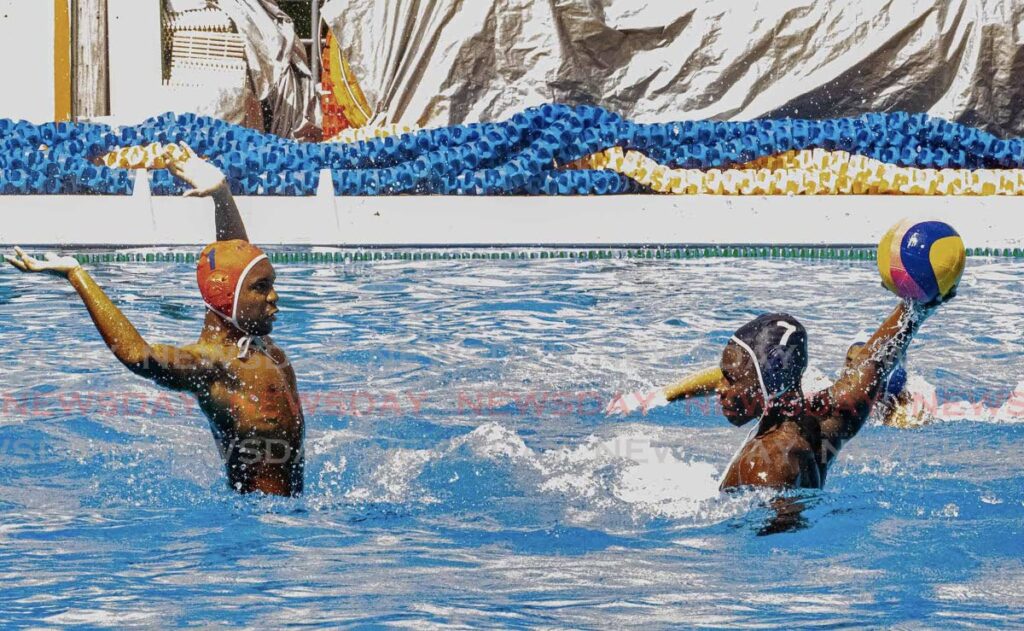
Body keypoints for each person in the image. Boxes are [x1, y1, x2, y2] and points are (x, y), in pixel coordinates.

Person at [5, 149, 305, 496]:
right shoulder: (212, 363)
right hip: (261, 529)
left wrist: (221, 194)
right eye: (262, 288)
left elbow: (236, 262)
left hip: (292, 520)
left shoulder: (257, 343)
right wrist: (77, 274)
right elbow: (138, 355)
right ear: (230, 297)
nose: (274, 297)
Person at [607, 298, 949, 490]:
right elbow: (874, 361)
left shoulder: (763, 467)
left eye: (729, 379)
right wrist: (916, 307)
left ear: (766, 388)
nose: (719, 389)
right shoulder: (833, 413)